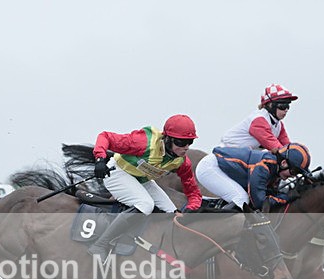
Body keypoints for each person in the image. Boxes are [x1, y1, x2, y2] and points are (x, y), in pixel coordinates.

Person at [88, 114, 202, 259]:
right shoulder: (143, 142)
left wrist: (191, 208)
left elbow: (193, 192)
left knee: (172, 213)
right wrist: (99, 159)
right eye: (181, 142)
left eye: (190, 142)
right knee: (146, 204)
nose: (186, 147)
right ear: (167, 139)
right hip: (117, 173)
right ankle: (100, 244)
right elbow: (105, 136)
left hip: (141, 179)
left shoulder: (182, 162)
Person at [195, 143, 311, 211]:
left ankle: (204, 204)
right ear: (284, 163)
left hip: (224, 167)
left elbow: (269, 194)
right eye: (293, 172)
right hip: (210, 168)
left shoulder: (274, 168)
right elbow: (259, 202)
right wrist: (287, 197)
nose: (292, 176)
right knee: (242, 199)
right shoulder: (263, 166)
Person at [221, 84, 297, 151]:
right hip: (224, 155)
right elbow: (277, 149)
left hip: (239, 159)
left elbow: (287, 147)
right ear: (270, 105)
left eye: (288, 106)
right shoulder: (259, 120)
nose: (286, 110)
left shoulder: (279, 125)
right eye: (283, 106)